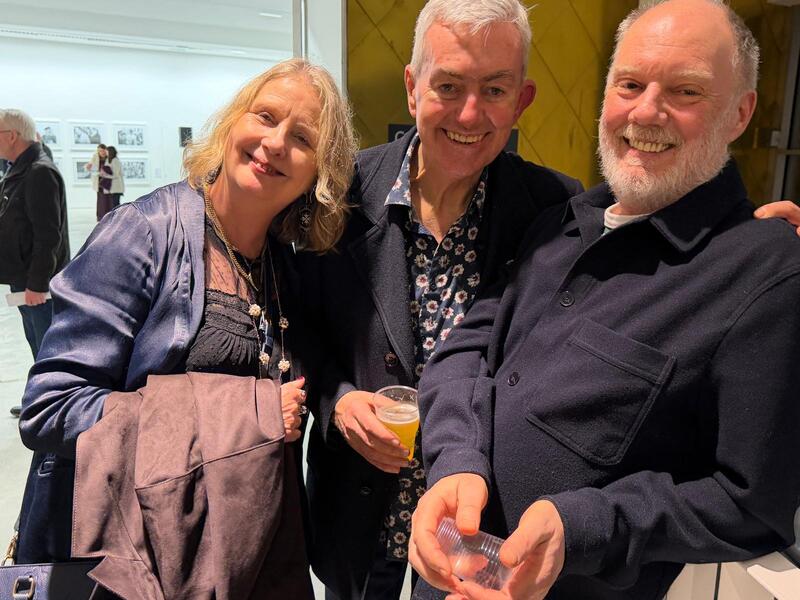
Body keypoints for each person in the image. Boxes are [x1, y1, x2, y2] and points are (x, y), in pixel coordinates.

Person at [409, 1, 800, 599]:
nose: (645, 111)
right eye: (630, 84)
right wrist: (455, 460)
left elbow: (751, 504)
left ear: (740, 113)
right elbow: (466, 350)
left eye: (686, 91)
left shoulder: (766, 273)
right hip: (450, 573)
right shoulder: (561, 221)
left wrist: (582, 526)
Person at [16, 59, 357, 592]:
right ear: (231, 123)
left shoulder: (282, 268)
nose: (274, 143)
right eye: (265, 117)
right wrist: (246, 413)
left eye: (302, 138)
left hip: (232, 560)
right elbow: (51, 408)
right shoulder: (143, 234)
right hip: (131, 564)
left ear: (319, 173)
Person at [296, 2, 583, 599]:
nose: (469, 114)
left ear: (522, 100)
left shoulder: (556, 208)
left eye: (494, 90)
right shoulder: (340, 191)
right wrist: (338, 400)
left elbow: (637, 257)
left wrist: (750, 237)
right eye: (448, 86)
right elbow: (300, 325)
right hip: (358, 501)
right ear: (412, 87)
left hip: (481, 516)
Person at [0, 109, 69, 417]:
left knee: (47, 347)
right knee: (35, 342)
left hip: (37, 283)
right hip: (24, 278)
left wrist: (37, 284)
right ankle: (41, 399)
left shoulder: (39, 172)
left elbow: (48, 235)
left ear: (12, 136)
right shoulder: (18, 170)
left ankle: (53, 406)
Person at [97, 144, 125, 215]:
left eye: (107, 151)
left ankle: (118, 217)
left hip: (117, 187)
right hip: (112, 187)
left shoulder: (115, 160)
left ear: (110, 152)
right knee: (114, 204)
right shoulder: (109, 160)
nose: (105, 153)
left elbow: (115, 175)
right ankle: (116, 217)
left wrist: (105, 175)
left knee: (116, 204)